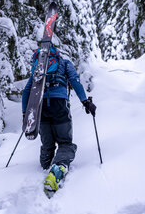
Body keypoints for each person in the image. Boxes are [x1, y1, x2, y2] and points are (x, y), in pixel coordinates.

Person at [22, 45, 96, 192]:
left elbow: (27, 90)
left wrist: (26, 114)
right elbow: (75, 82)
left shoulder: (39, 66)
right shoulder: (64, 63)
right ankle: (56, 171)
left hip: (40, 108)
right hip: (59, 106)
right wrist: (85, 102)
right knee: (65, 143)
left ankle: (44, 167)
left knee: (47, 145)